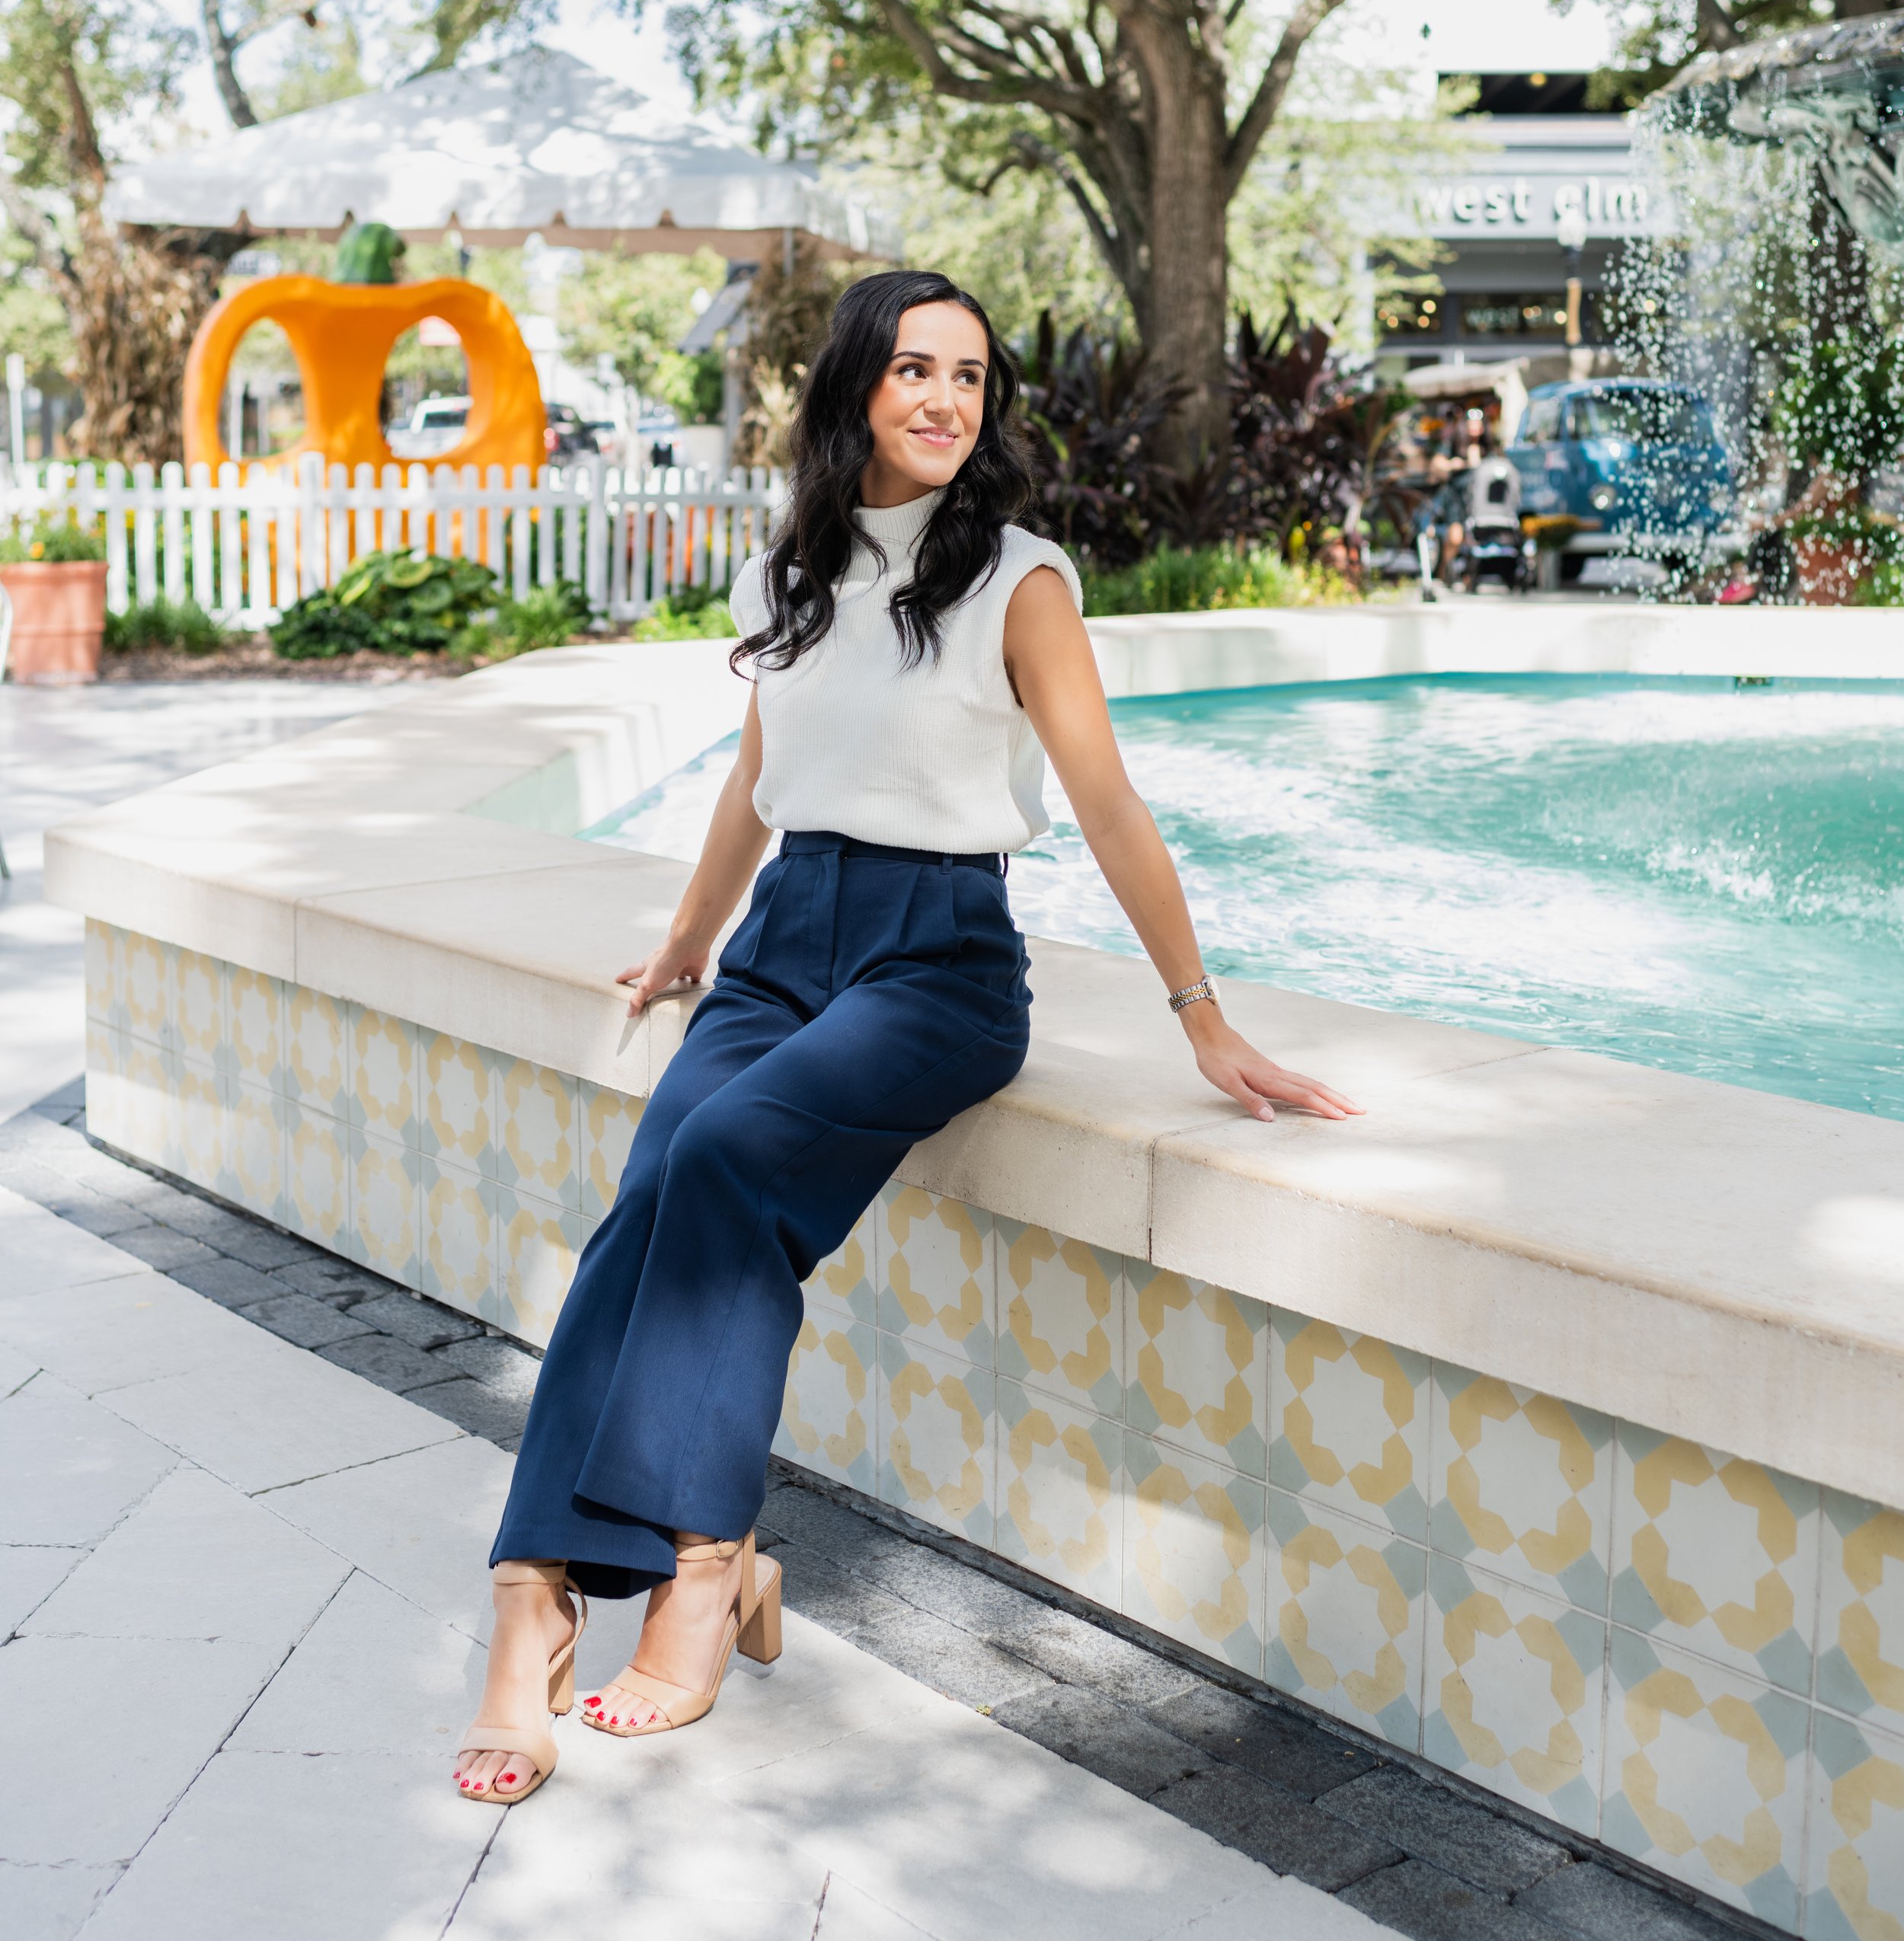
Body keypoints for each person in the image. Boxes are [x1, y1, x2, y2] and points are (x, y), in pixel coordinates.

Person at [452, 272, 1363, 1804]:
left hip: (934, 963)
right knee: (654, 1183)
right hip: (778, 948)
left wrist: (1201, 1019)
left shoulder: (1017, 578)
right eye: (915, 370)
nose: (946, 399)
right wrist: (687, 945)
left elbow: (1104, 799)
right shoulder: (788, 576)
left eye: (970, 376)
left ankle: (695, 1560)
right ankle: (536, 1591)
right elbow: (760, 780)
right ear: (855, 389)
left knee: (725, 1157)